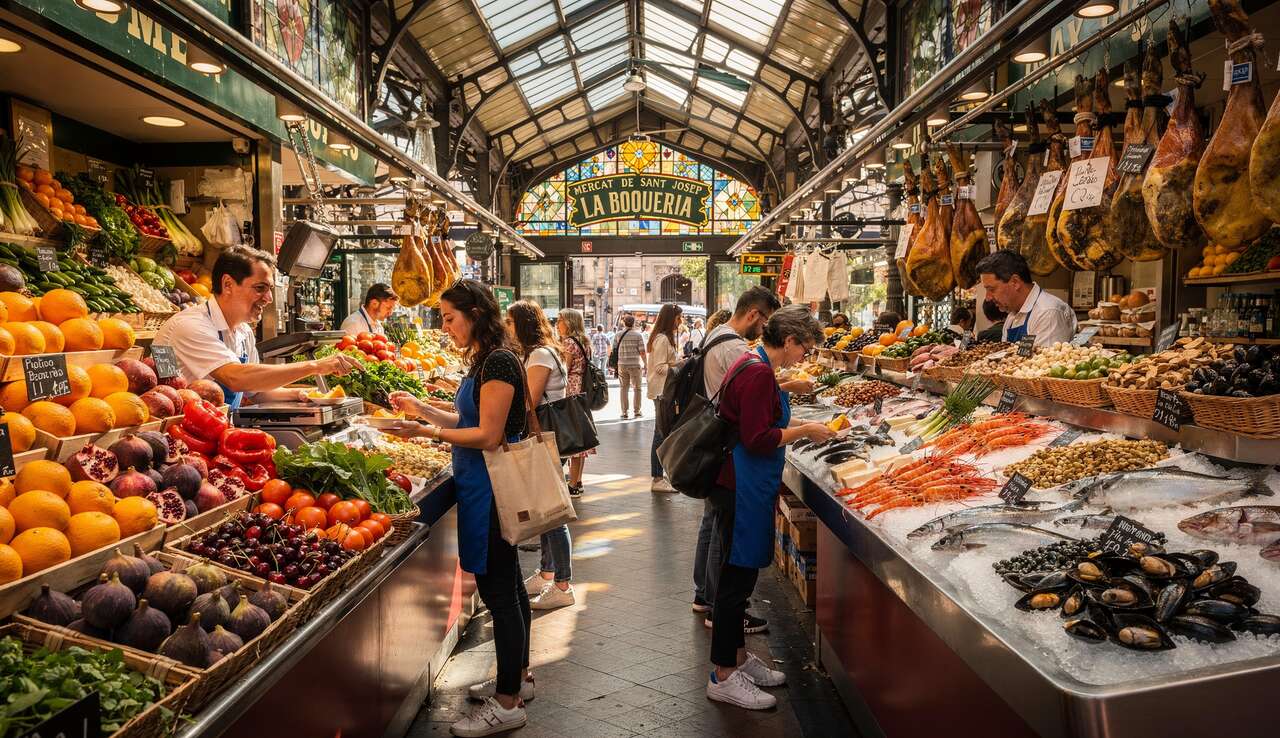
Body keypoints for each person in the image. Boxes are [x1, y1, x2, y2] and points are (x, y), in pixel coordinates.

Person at [385, 280, 533, 737]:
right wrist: (421, 411)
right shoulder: (485, 361)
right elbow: (465, 422)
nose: (445, 327)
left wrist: (426, 435)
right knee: (508, 586)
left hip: (493, 492)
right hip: (478, 488)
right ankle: (518, 678)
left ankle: (507, 703)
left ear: (475, 313)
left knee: (500, 594)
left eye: (450, 318)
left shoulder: (500, 362)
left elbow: (488, 436)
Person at [706, 305, 835, 710]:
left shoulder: (755, 361)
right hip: (740, 486)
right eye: (805, 347)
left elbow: (751, 408)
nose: (805, 356)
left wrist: (786, 389)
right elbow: (758, 437)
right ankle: (723, 674)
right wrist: (807, 430)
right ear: (791, 340)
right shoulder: (759, 371)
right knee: (735, 581)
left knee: (739, 579)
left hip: (740, 483)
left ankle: (738, 660)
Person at [154, 245, 361, 409]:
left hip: (219, 432)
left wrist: (301, 395)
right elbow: (235, 378)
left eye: (270, 289)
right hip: (181, 440)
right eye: (260, 288)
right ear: (228, 285)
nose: (269, 298)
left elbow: (255, 391)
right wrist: (315, 366)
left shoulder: (243, 332)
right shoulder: (189, 326)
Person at [692, 286, 785, 635]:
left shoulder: (719, 334)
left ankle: (706, 595)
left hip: (718, 448)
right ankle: (719, 607)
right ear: (755, 316)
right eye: (766, 322)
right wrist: (803, 427)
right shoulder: (736, 349)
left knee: (714, 526)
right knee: (725, 541)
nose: (764, 331)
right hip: (729, 454)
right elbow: (755, 428)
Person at [505, 300, 575, 610]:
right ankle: (547, 573)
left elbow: (528, 401)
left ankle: (562, 583)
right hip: (548, 438)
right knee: (547, 511)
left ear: (521, 325)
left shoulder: (539, 355)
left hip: (544, 438)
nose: (506, 327)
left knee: (552, 512)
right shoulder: (543, 352)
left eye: (509, 321)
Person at [977, 249, 1076, 346]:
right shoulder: (1012, 315)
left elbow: (1047, 361)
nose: (987, 298)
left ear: (1015, 282)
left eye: (991, 289)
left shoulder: (1047, 312)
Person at [645, 303, 682, 493]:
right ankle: (657, 478)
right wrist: (680, 365)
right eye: (678, 318)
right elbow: (660, 367)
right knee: (660, 434)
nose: (680, 322)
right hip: (661, 391)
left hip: (663, 391)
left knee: (662, 432)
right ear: (670, 319)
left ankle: (660, 475)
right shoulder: (662, 340)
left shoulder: (662, 338)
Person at [557, 309, 593, 498]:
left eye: (561, 320)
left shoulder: (569, 343)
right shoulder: (585, 341)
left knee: (573, 438)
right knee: (580, 437)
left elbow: (565, 370)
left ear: (569, 322)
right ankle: (577, 480)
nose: (557, 323)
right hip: (582, 390)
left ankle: (572, 484)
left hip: (571, 388)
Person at [613, 314, 646, 419]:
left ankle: (624, 412)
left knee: (623, 388)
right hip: (635, 365)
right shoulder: (638, 335)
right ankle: (637, 411)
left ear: (624, 323)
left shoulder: (618, 335)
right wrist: (646, 363)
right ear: (633, 323)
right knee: (637, 388)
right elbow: (642, 352)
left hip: (622, 364)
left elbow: (614, 350)